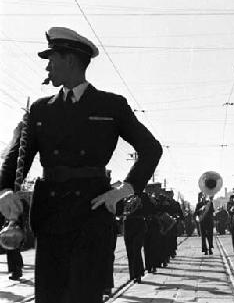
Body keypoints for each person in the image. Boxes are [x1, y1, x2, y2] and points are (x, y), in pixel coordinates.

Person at [0, 27, 162, 303]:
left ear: (71, 61)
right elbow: (15, 158)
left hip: (91, 214)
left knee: (83, 296)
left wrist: (123, 190)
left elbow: (150, 149)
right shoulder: (40, 110)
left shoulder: (111, 105)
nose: (48, 66)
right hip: (50, 217)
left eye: (52, 59)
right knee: (49, 297)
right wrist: (4, 191)